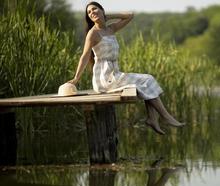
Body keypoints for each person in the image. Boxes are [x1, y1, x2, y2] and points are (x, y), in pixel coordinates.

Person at [68, 1, 184, 135]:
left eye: (94, 9)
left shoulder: (110, 29)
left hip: (115, 73)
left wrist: (107, 16)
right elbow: (84, 56)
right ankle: (165, 116)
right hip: (105, 78)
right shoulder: (93, 34)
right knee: (147, 79)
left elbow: (130, 16)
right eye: (89, 12)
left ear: (102, 10)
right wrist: (76, 78)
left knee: (147, 81)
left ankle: (153, 118)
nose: (92, 13)